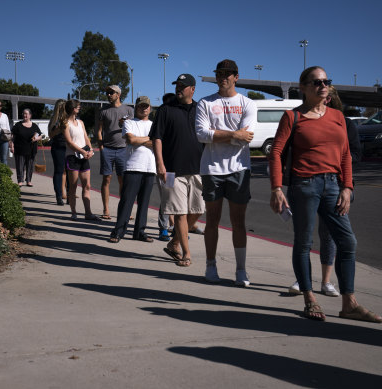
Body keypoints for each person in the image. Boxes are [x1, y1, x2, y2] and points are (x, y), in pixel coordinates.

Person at [269, 66, 381, 323]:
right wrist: (276, 188)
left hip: (333, 185)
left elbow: (345, 155)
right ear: (304, 87)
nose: (323, 85)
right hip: (304, 185)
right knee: (304, 243)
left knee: (347, 241)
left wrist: (347, 187)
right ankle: (310, 298)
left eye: (326, 81)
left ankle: (349, 303)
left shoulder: (338, 117)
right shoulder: (292, 117)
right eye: (316, 82)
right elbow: (275, 153)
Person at [288, 86, 362, 297]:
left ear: (331, 100)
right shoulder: (300, 118)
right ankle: (304, 280)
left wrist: (346, 185)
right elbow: (281, 151)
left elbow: (353, 154)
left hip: (337, 185)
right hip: (308, 183)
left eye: (327, 97)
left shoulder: (344, 122)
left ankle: (327, 281)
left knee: (332, 235)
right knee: (305, 236)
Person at [196, 59, 257, 287]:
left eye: (228, 73)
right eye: (220, 73)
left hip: (239, 168)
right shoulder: (205, 103)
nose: (223, 77)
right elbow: (202, 134)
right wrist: (234, 134)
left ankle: (241, 270)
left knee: (238, 221)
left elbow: (247, 135)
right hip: (212, 169)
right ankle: (211, 265)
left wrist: (218, 133)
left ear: (236, 76)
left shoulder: (248, 103)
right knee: (211, 220)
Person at [150, 74, 204, 267]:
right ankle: (186, 253)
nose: (179, 88)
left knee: (198, 210)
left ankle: (175, 242)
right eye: (177, 85)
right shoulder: (166, 109)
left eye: (183, 86)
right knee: (180, 212)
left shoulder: (200, 109)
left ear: (193, 89)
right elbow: (157, 138)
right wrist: (160, 164)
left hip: (198, 169)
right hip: (172, 171)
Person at [108, 96, 155, 243]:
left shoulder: (154, 125)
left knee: (144, 203)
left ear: (150, 108)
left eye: (146, 106)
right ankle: (118, 231)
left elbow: (157, 143)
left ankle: (139, 232)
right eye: (141, 106)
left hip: (150, 168)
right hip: (133, 167)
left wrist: (140, 140)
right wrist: (147, 139)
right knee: (127, 201)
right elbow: (131, 140)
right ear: (136, 108)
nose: (144, 108)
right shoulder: (129, 123)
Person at [96, 85, 134, 220]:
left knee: (123, 180)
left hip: (124, 149)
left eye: (111, 92)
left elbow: (134, 129)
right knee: (106, 179)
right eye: (107, 92)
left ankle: (124, 210)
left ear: (118, 94)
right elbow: (99, 131)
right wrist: (101, 147)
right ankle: (106, 209)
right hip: (107, 149)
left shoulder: (129, 110)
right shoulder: (103, 111)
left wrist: (126, 123)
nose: (108, 95)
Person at [63, 99, 99, 221]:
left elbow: (86, 137)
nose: (79, 108)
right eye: (78, 106)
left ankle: (88, 213)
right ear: (73, 108)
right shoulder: (65, 123)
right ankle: (73, 213)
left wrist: (90, 150)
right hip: (73, 157)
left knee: (86, 185)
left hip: (84, 157)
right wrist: (82, 152)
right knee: (73, 186)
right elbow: (69, 142)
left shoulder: (81, 122)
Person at [10, 108, 43, 187]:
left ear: (30, 115)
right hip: (19, 149)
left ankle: (28, 180)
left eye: (26, 114)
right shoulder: (18, 125)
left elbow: (40, 135)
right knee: (20, 166)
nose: (24, 115)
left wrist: (36, 139)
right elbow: (12, 136)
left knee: (30, 166)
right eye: (23, 113)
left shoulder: (34, 126)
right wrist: (11, 146)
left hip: (31, 149)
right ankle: (20, 180)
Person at [48, 99, 68, 205]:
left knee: (70, 171)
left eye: (64, 106)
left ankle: (70, 195)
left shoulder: (69, 118)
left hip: (69, 147)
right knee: (59, 171)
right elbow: (50, 135)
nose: (62, 108)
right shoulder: (54, 120)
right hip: (58, 147)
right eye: (60, 107)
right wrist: (58, 129)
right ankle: (59, 196)